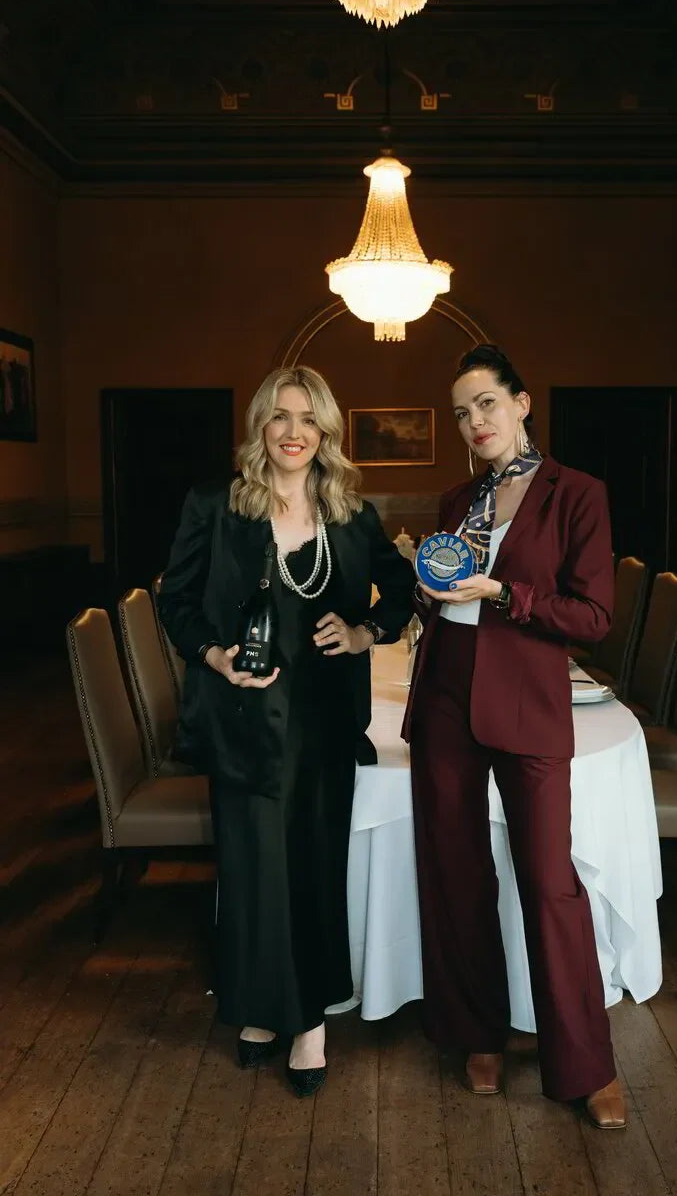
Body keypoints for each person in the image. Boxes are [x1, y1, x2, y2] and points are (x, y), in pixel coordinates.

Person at [159, 365, 414, 1096]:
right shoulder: (215, 505)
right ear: (260, 428)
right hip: (242, 722)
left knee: (311, 867)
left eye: (307, 418)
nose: (293, 432)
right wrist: (214, 654)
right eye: (279, 416)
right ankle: (259, 1008)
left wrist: (368, 631)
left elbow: (400, 589)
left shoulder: (353, 516)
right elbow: (176, 600)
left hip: (325, 725)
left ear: (326, 431)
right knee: (251, 873)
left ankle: (308, 1022)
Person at [402, 344, 626, 1129]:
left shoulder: (578, 495)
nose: (474, 422)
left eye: (486, 404)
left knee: (548, 879)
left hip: (527, 703)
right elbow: (440, 599)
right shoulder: (456, 498)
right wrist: (425, 595)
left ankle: (584, 1064)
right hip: (445, 698)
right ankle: (475, 1032)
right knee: (457, 873)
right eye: (462, 412)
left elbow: (593, 617)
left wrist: (503, 591)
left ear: (522, 403)